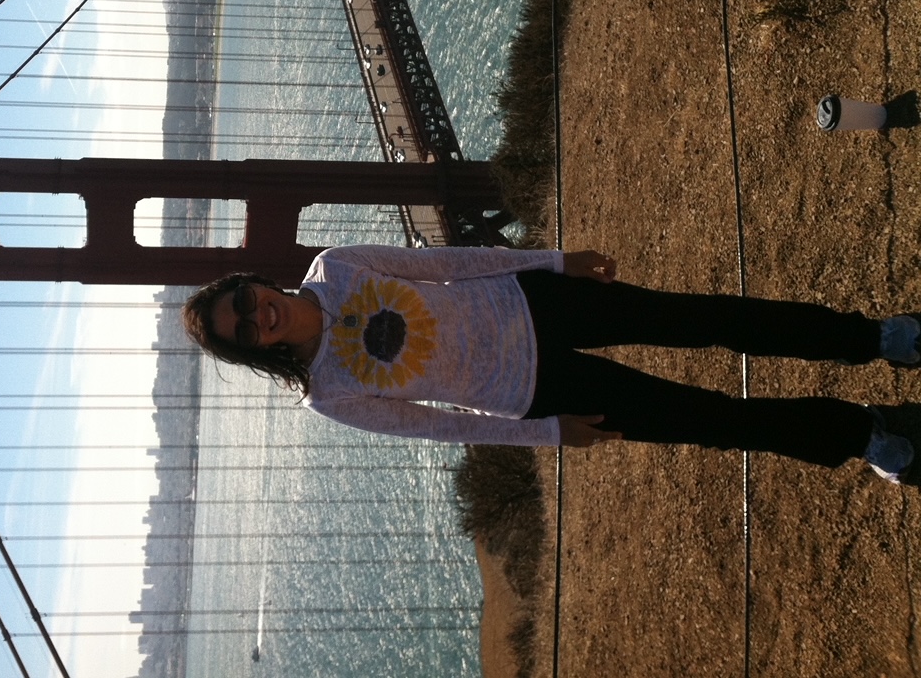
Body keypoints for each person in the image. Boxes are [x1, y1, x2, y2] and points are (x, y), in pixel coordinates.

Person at [181, 244, 919, 483]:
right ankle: (862, 435)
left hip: (535, 302)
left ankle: (879, 339)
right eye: (243, 331)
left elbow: (444, 263)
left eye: (242, 301)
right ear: (257, 350)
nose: (254, 315)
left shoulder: (335, 266)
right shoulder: (328, 393)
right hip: (535, 389)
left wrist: (553, 260)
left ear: (254, 285)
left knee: (710, 319)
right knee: (710, 420)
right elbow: (436, 428)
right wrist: (554, 434)